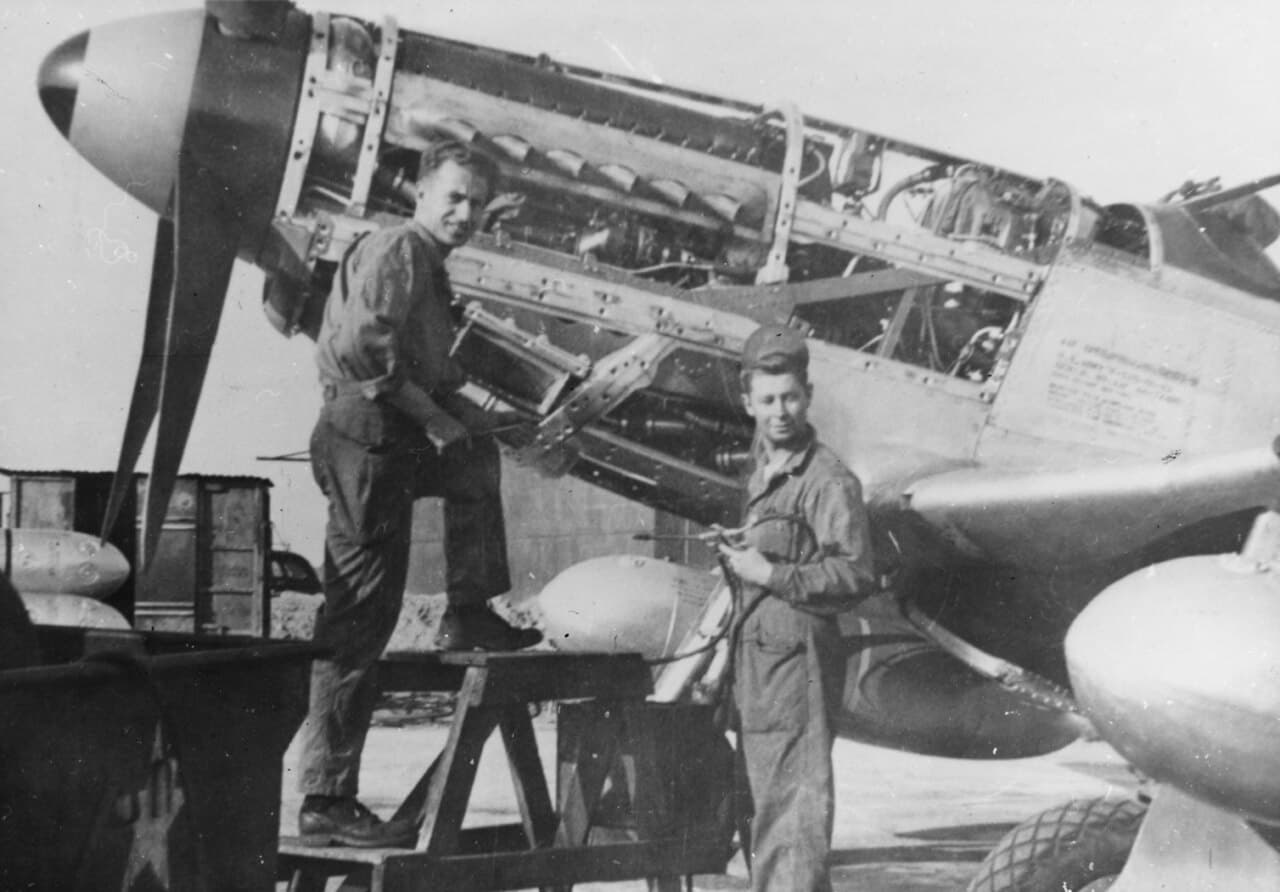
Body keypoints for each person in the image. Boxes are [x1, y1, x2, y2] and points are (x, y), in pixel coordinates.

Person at [297, 140, 541, 849]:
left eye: (477, 204)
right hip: (367, 439)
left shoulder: (427, 267)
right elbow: (365, 354)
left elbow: (427, 369)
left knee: (472, 459)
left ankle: (468, 611)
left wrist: (478, 417)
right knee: (360, 620)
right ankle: (325, 798)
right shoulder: (401, 249)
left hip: (387, 433)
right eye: (454, 197)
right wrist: (437, 418)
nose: (465, 214)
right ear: (422, 194)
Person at [717, 324, 877, 892]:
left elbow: (856, 572)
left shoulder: (828, 479)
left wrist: (771, 572)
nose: (780, 411)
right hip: (759, 664)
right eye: (767, 400)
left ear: (807, 395)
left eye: (790, 397)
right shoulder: (762, 469)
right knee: (766, 814)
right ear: (747, 402)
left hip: (797, 665)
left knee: (792, 820)